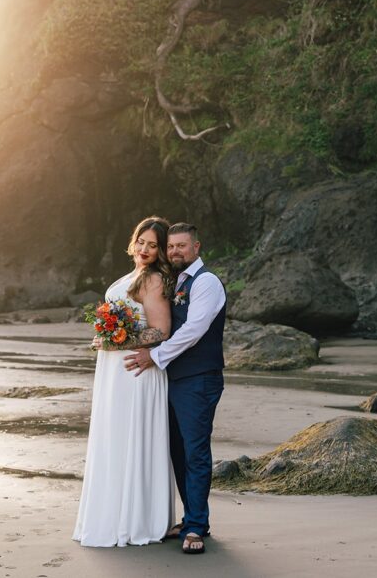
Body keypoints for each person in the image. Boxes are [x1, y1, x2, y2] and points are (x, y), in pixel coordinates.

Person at [72, 216, 176, 547]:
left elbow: (161, 330)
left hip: (136, 372)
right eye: (141, 242)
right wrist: (103, 334)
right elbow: (121, 322)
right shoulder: (128, 277)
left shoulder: (155, 280)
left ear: (160, 251)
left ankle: (138, 518)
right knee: (113, 437)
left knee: (132, 437)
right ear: (133, 242)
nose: (145, 249)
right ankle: (113, 511)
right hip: (114, 372)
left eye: (153, 245)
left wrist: (116, 340)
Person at [125, 222, 226, 555]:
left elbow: (193, 330)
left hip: (199, 378)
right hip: (174, 378)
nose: (175, 252)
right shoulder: (177, 281)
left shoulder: (206, 282)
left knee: (195, 452)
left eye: (182, 246)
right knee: (177, 451)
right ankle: (194, 517)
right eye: (170, 247)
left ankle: (196, 526)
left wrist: (155, 355)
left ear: (196, 247)